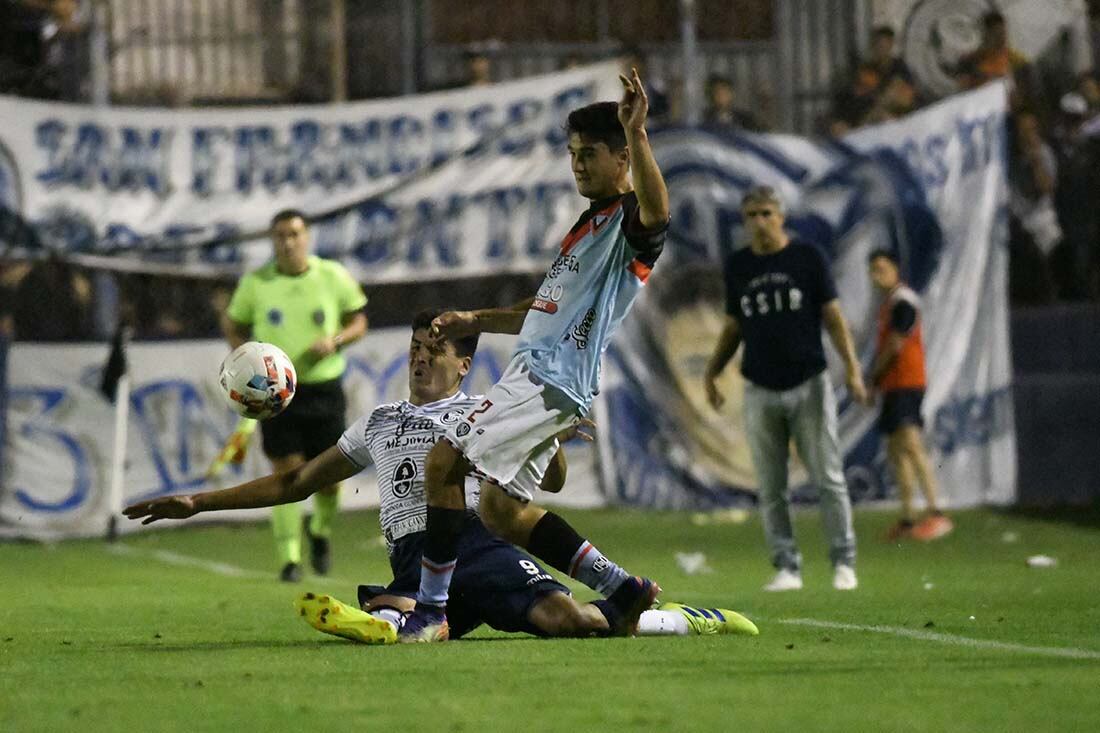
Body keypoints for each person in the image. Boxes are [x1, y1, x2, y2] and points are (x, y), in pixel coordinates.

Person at [124, 311, 758, 642]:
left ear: (464, 364)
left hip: (480, 546)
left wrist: (546, 435)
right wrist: (197, 501)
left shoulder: (487, 411)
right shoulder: (379, 420)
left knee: (573, 624)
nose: (420, 363)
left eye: (433, 354)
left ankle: (676, 618)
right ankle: (399, 612)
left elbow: (549, 484)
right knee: (421, 597)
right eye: (413, 354)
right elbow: (295, 484)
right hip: (415, 552)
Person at [399, 68, 671, 642]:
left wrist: (640, 134)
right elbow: (542, 308)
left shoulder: (626, 222)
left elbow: (657, 214)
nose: (578, 164)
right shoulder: (587, 225)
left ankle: (430, 610)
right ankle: (622, 588)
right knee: (500, 511)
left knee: (444, 464)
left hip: (549, 379)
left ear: (622, 158)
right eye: (573, 153)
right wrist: (476, 320)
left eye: (591, 153)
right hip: (538, 375)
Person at [703, 186, 863, 592]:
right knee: (771, 485)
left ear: (781, 216)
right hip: (759, 385)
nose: (759, 222)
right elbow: (734, 325)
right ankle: (787, 566)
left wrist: (854, 370)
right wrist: (712, 372)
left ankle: (843, 561)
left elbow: (833, 317)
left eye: (766, 213)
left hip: (808, 381)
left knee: (827, 476)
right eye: (752, 215)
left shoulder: (807, 257)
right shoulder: (739, 265)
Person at [221, 209, 368, 582]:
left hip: (324, 389)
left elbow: (359, 320)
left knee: (330, 478)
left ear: (307, 237)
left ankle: (319, 531)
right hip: (275, 396)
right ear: (272, 240)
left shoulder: (331, 276)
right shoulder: (257, 283)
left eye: (294, 234)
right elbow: (233, 323)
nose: (288, 242)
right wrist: (248, 358)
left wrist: (335, 341)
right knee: (286, 475)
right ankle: (289, 559)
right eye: (280, 235)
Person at [866, 250, 953, 541]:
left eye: (881, 268)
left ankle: (936, 512)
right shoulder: (889, 303)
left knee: (911, 444)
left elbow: (895, 344)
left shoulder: (903, 301)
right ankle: (907, 518)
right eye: (872, 270)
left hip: (906, 382)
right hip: (894, 384)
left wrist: (872, 378)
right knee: (896, 451)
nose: (875, 275)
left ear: (895, 270)